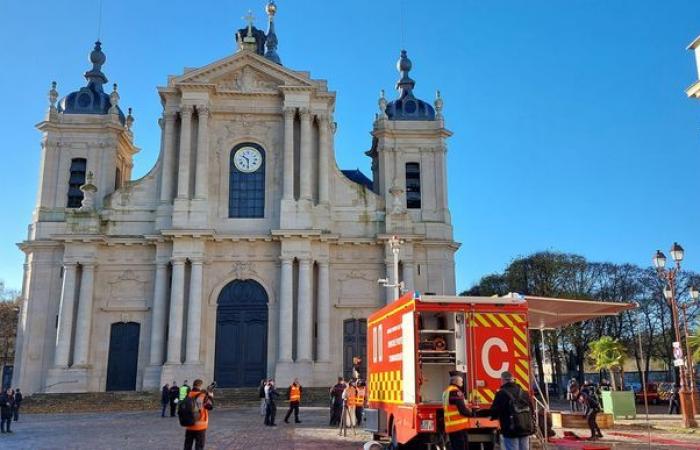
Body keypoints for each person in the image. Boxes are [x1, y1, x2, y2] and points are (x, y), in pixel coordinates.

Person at [486, 371, 534, 450]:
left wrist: (491, 417)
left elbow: (495, 410)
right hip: (525, 427)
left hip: (510, 428)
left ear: (502, 380)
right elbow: (531, 409)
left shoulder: (501, 394)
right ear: (513, 380)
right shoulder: (524, 392)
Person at [442, 375, 472, 450]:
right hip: (459, 426)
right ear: (455, 381)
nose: (462, 382)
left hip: (451, 426)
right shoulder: (455, 391)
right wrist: (472, 414)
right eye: (461, 381)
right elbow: (462, 409)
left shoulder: (446, 391)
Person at [183, 379, 214, 450]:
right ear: (200, 386)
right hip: (200, 425)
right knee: (199, 446)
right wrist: (210, 395)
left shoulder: (188, 395)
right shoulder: (203, 396)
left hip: (189, 424)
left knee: (187, 446)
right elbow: (210, 406)